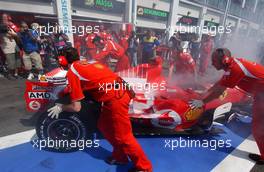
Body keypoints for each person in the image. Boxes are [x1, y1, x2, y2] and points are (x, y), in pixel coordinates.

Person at [47, 47, 152, 172]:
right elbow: (95, 80)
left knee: (124, 137)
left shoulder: (72, 72)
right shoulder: (87, 62)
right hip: (118, 92)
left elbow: (76, 107)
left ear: (62, 60)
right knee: (104, 126)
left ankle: (144, 168)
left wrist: (61, 106)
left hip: (115, 98)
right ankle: (120, 157)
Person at [189, 48, 264, 165]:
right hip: (260, 94)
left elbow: (219, 91)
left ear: (224, 60)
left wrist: (202, 102)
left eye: (214, 60)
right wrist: (205, 93)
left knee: (258, 128)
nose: (212, 63)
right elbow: (220, 83)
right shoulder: (232, 66)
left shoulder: (235, 68)